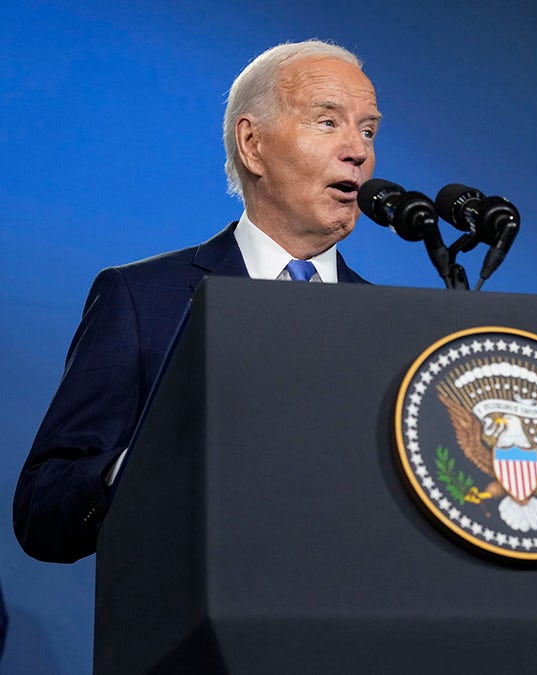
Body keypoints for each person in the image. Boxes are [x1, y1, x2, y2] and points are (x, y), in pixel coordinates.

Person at [13, 39, 381, 564]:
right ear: (253, 145)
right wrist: (141, 468)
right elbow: (42, 509)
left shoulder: (384, 321)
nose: (358, 150)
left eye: (368, 129)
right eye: (328, 122)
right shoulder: (142, 300)